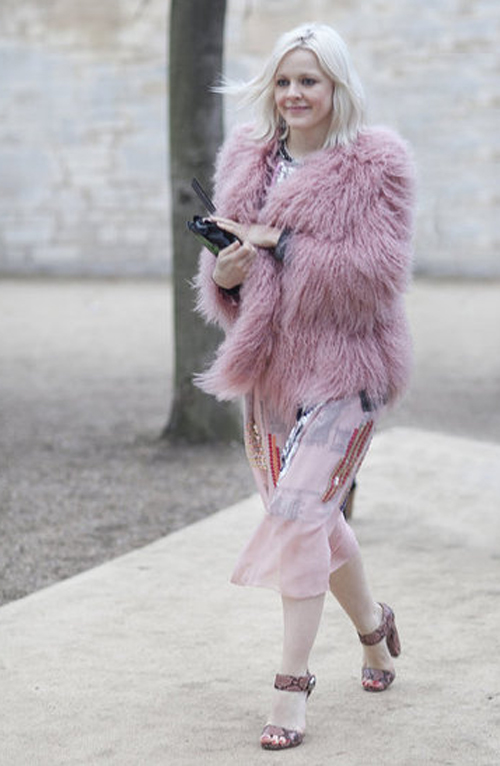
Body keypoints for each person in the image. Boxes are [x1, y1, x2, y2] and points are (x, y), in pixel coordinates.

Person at [194, 22, 415, 751]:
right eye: (284, 80)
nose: (293, 93)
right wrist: (226, 273)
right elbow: (231, 284)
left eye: (309, 80)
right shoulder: (247, 156)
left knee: (296, 515)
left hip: (349, 369)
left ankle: (291, 688)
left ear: (336, 86)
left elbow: (378, 277)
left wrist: (279, 241)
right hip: (271, 373)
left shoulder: (376, 164)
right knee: (310, 516)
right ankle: (374, 629)